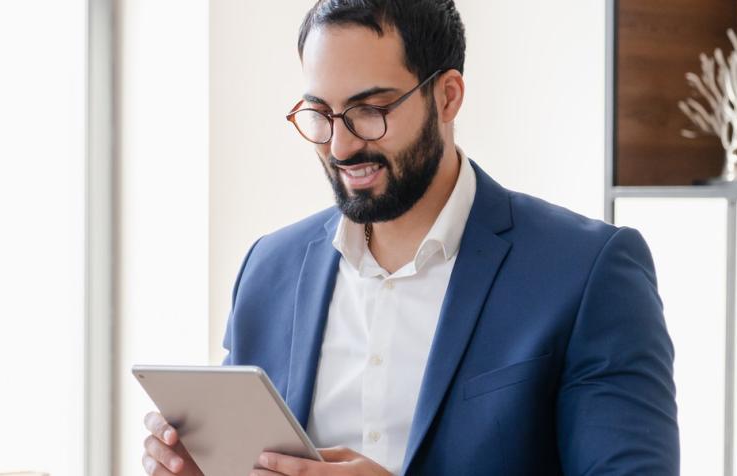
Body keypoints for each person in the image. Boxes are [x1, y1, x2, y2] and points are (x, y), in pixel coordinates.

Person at [141, 0, 679, 474]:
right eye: (321, 114)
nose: (341, 146)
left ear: (447, 97)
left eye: (371, 111)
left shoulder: (587, 271)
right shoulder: (269, 268)